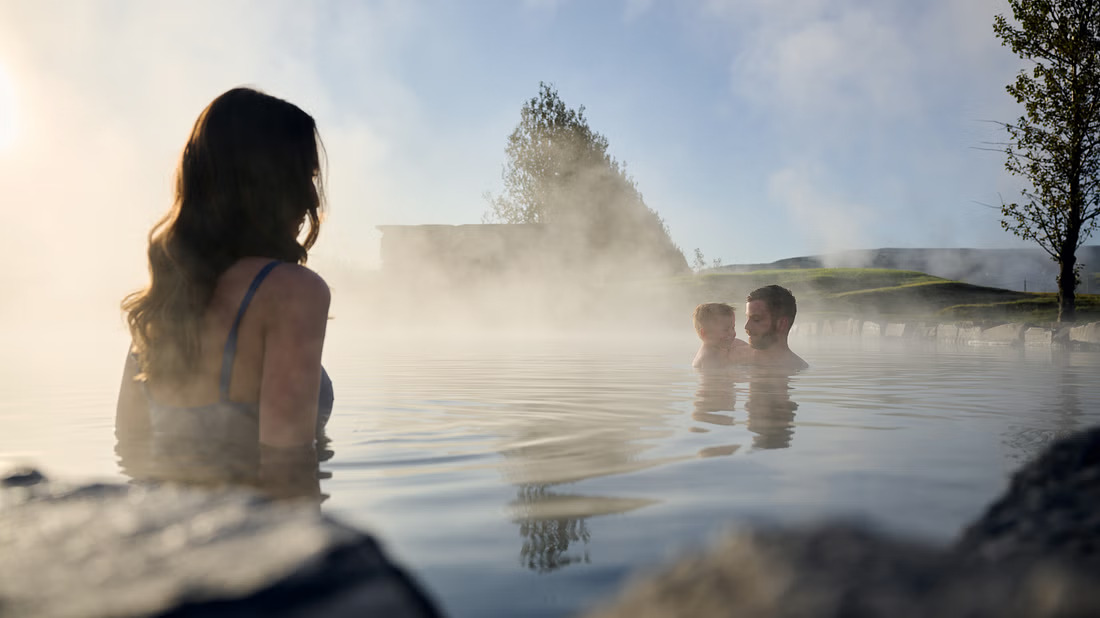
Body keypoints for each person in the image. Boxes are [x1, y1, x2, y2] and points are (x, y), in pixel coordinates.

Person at [115, 87, 333, 492]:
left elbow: (129, 446)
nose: (311, 198)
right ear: (275, 183)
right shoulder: (293, 291)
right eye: (307, 175)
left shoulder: (165, 297)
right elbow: (287, 464)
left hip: (163, 533)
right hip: (248, 537)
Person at [743, 285, 808, 370]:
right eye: (748, 318)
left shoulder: (795, 368)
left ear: (782, 324)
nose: (747, 326)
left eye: (756, 319)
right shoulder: (737, 361)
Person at [692, 302, 752, 370]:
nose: (732, 333)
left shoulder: (727, 343)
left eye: (733, 328)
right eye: (725, 330)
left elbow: (752, 350)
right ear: (705, 334)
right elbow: (715, 378)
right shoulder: (707, 359)